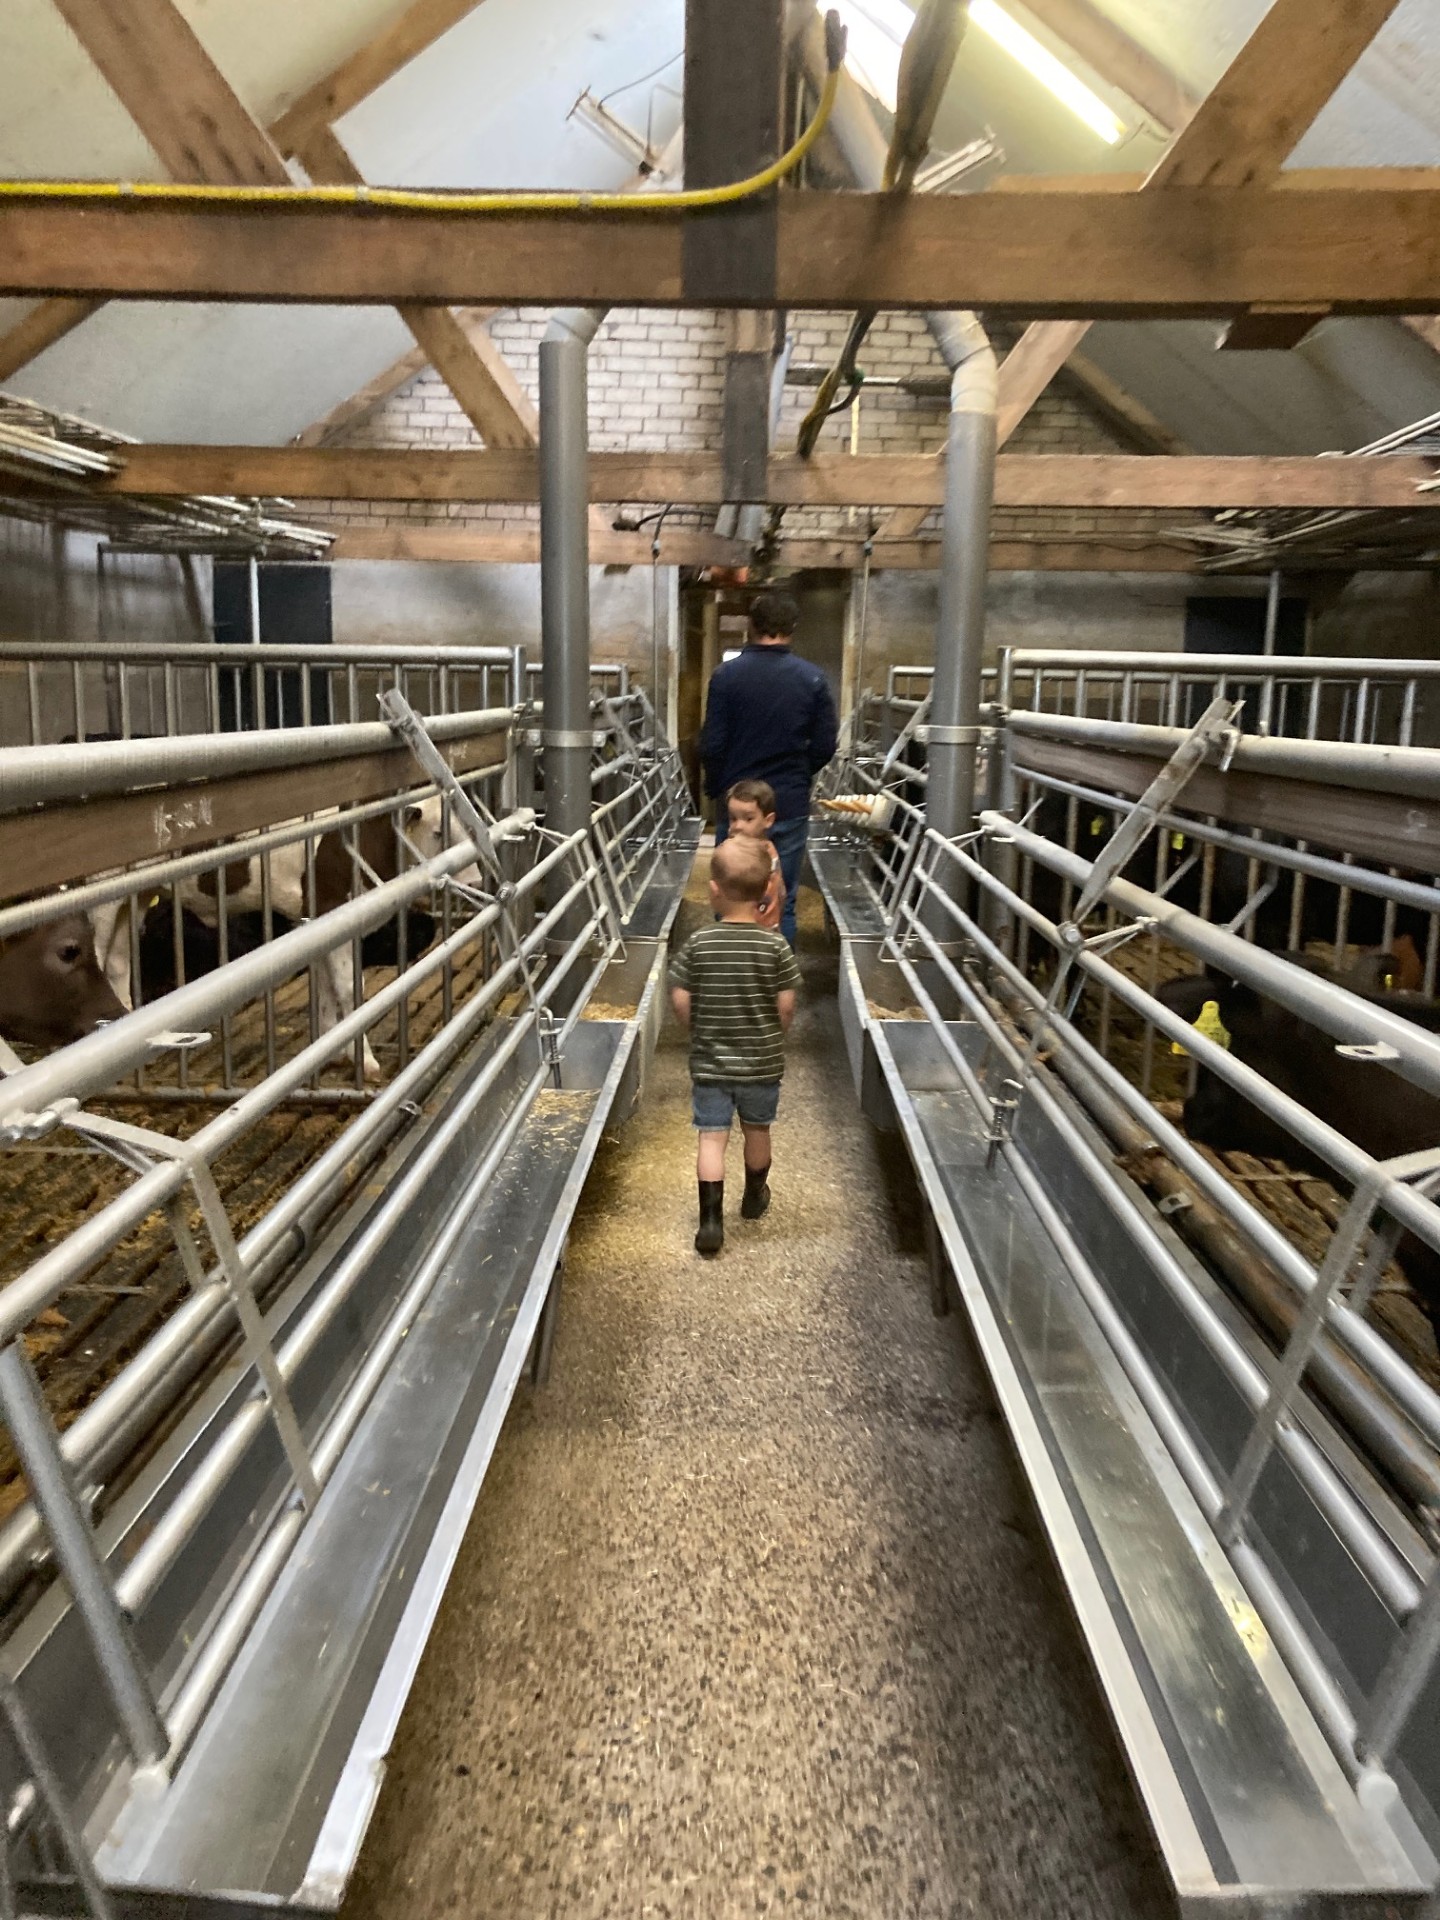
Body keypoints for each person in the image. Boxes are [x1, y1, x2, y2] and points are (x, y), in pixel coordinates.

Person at [669, 836, 801, 1256]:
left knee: (712, 1139)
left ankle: (710, 1222)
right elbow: (786, 1004)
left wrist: (694, 1028)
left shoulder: (700, 943)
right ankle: (754, 1197)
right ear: (766, 892)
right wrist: (776, 1035)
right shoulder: (776, 946)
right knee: (757, 1130)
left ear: (713, 891)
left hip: (711, 1063)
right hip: (762, 1062)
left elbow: (680, 995)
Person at [700, 590, 838, 948]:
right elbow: (825, 745)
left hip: (738, 807)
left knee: (731, 897)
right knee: (783, 898)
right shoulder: (813, 679)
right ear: (792, 627)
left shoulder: (726, 676)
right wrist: (797, 775)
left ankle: (731, 968)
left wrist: (718, 789)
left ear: (751, 625)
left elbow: (713, 744)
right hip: (787, 804)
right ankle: (776, 973)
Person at [725, 778, 784, 932]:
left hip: (755, 931)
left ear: (768, 820)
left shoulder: (761, 858)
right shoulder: (760, 848)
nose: (738, 826)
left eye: (748, 819)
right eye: (733, 818)